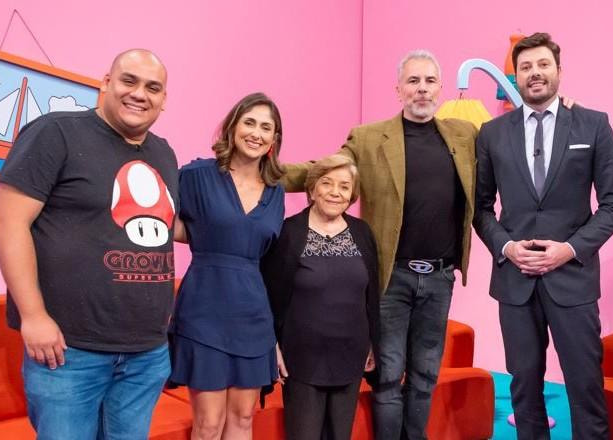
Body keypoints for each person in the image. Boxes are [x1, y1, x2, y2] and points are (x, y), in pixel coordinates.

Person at [282, 50, 477, 439]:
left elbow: (510, 142)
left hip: (439, 279)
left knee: (425, 376)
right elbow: (324, 170)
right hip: (391, 276)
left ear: (439, 87)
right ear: (398, 89)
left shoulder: (464, 134)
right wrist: (260, 172)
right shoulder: (369, 138)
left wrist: (563, 108)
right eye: (413, 81)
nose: (421, 89)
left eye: (429, 81)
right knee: (388, 376)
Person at [0, 49, 177, 439]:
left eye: (153, 87)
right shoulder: (55, 132)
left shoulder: (164, 152)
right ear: (106, 82)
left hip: (146, 354)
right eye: (129, 81)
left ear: (164, 100)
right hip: (68, 352)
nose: (140, 94)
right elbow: (9, 223)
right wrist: (33, 316)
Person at [474, 32, 613, 439]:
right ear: (516, 77)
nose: (535, 73)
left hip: (573, 280)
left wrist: (570, 249)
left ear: (559, 71)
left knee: (585, 387)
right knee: (524, 388)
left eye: (543, 65)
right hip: (515, 282)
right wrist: (506, 247)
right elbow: (481, 207)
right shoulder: (492, 133)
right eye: (525, 67)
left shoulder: (594, 124)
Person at [168, 92, 285, 440]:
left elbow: (261, 248)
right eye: (249, 122)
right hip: (204, 309)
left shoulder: (276, 190)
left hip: (254, 315)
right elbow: (157, 219)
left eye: (267, 127)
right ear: (232, 128)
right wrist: (201, 235)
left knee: (243, 420)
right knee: (207, 424)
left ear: (274, 140)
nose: (257, 133)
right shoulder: (195, 175)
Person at [262, 154, 379, 440]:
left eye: (344, 185)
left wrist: (374, 343)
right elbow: (269, 294)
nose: (335, 192)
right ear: (312, 189)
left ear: (352, 194)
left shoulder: (362, 233)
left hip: (350, 354)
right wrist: (271, 345)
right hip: (301, 358)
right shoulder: (288, 232)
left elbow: (372, 295)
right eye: (326, 183)